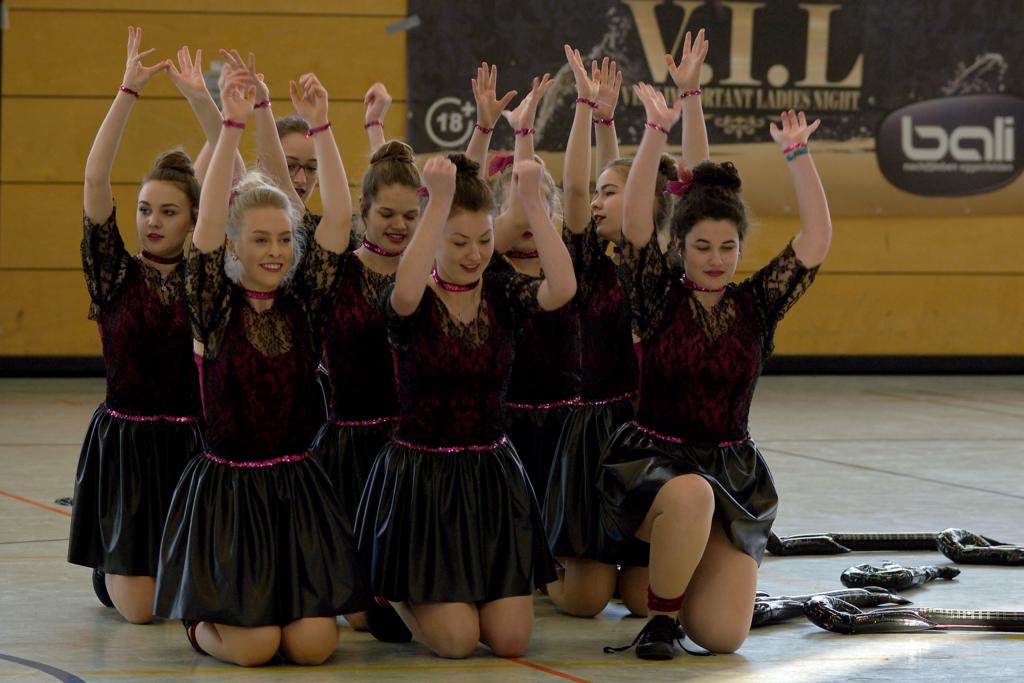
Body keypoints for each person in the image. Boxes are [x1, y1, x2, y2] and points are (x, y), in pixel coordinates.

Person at [600, 31, 832, 659]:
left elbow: (815, 240)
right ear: (680, 247)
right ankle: (660, 619)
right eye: (702, 246)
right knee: (691, 494)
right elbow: (636, 224)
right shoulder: (657, 296)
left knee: (725, 637)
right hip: (653, 467)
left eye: (727, 247)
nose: (715, 258)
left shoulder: (755, 305)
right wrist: (656, 129)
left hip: (731, 472)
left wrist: (799, 155)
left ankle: (674, 583)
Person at [154, 66, 365, 667]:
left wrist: (322, 126)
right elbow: (204, 228)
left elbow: (339, 219)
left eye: (283, 240)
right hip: (231, 495)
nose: (275, 252)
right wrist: (229, 126)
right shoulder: (213, 305)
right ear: (233, 245)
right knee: (254, 648)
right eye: (261, 240)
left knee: (314, 647)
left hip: (295, 491)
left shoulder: (304, 305)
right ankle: (201, 621)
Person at [355, 154, 576, 659]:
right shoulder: (410, 299)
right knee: (456, 642)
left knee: (511, 641)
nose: (474, 255)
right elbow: (404, 293)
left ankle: (459, 591)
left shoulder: (501, 293)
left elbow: (562, 288)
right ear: (432, 237)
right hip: (423, 482)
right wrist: (434, 204)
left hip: (492, 479)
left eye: (483, 240)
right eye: (458, 242)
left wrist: (534, 205)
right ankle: (392, 586)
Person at [68, 26, 203, 626]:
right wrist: (128, 90)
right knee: (145, 614)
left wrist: (204, 103)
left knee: (188, 598)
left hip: (192, 448)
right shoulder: (114, 275)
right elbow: (95, 181)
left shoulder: (205, 276)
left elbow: (222, 179)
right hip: (127, 450)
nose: (152, 221)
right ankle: (113, 561)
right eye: (146, 209)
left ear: (193, 220)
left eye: (168, 212)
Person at [542, 45, 651, 618]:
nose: (601, 201)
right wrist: (589, 112)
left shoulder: (648, 266)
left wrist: (613, 129)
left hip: (643, 427)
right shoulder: (586, 264)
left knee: (642, 599)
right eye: (600, 193)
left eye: (615, 193)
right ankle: (538, 562)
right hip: (592, 431)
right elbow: (580, 190)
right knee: (586, 601)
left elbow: (633, 193)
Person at [310, 138, 422, 638]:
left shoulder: (430, 272)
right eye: (387, 214)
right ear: (364, 208)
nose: (400, 226)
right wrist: (321, 128)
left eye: (411, 216)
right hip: (351, 448)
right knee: (360, 618)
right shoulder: (337, 271)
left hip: (414, 450)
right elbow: (327, 214)